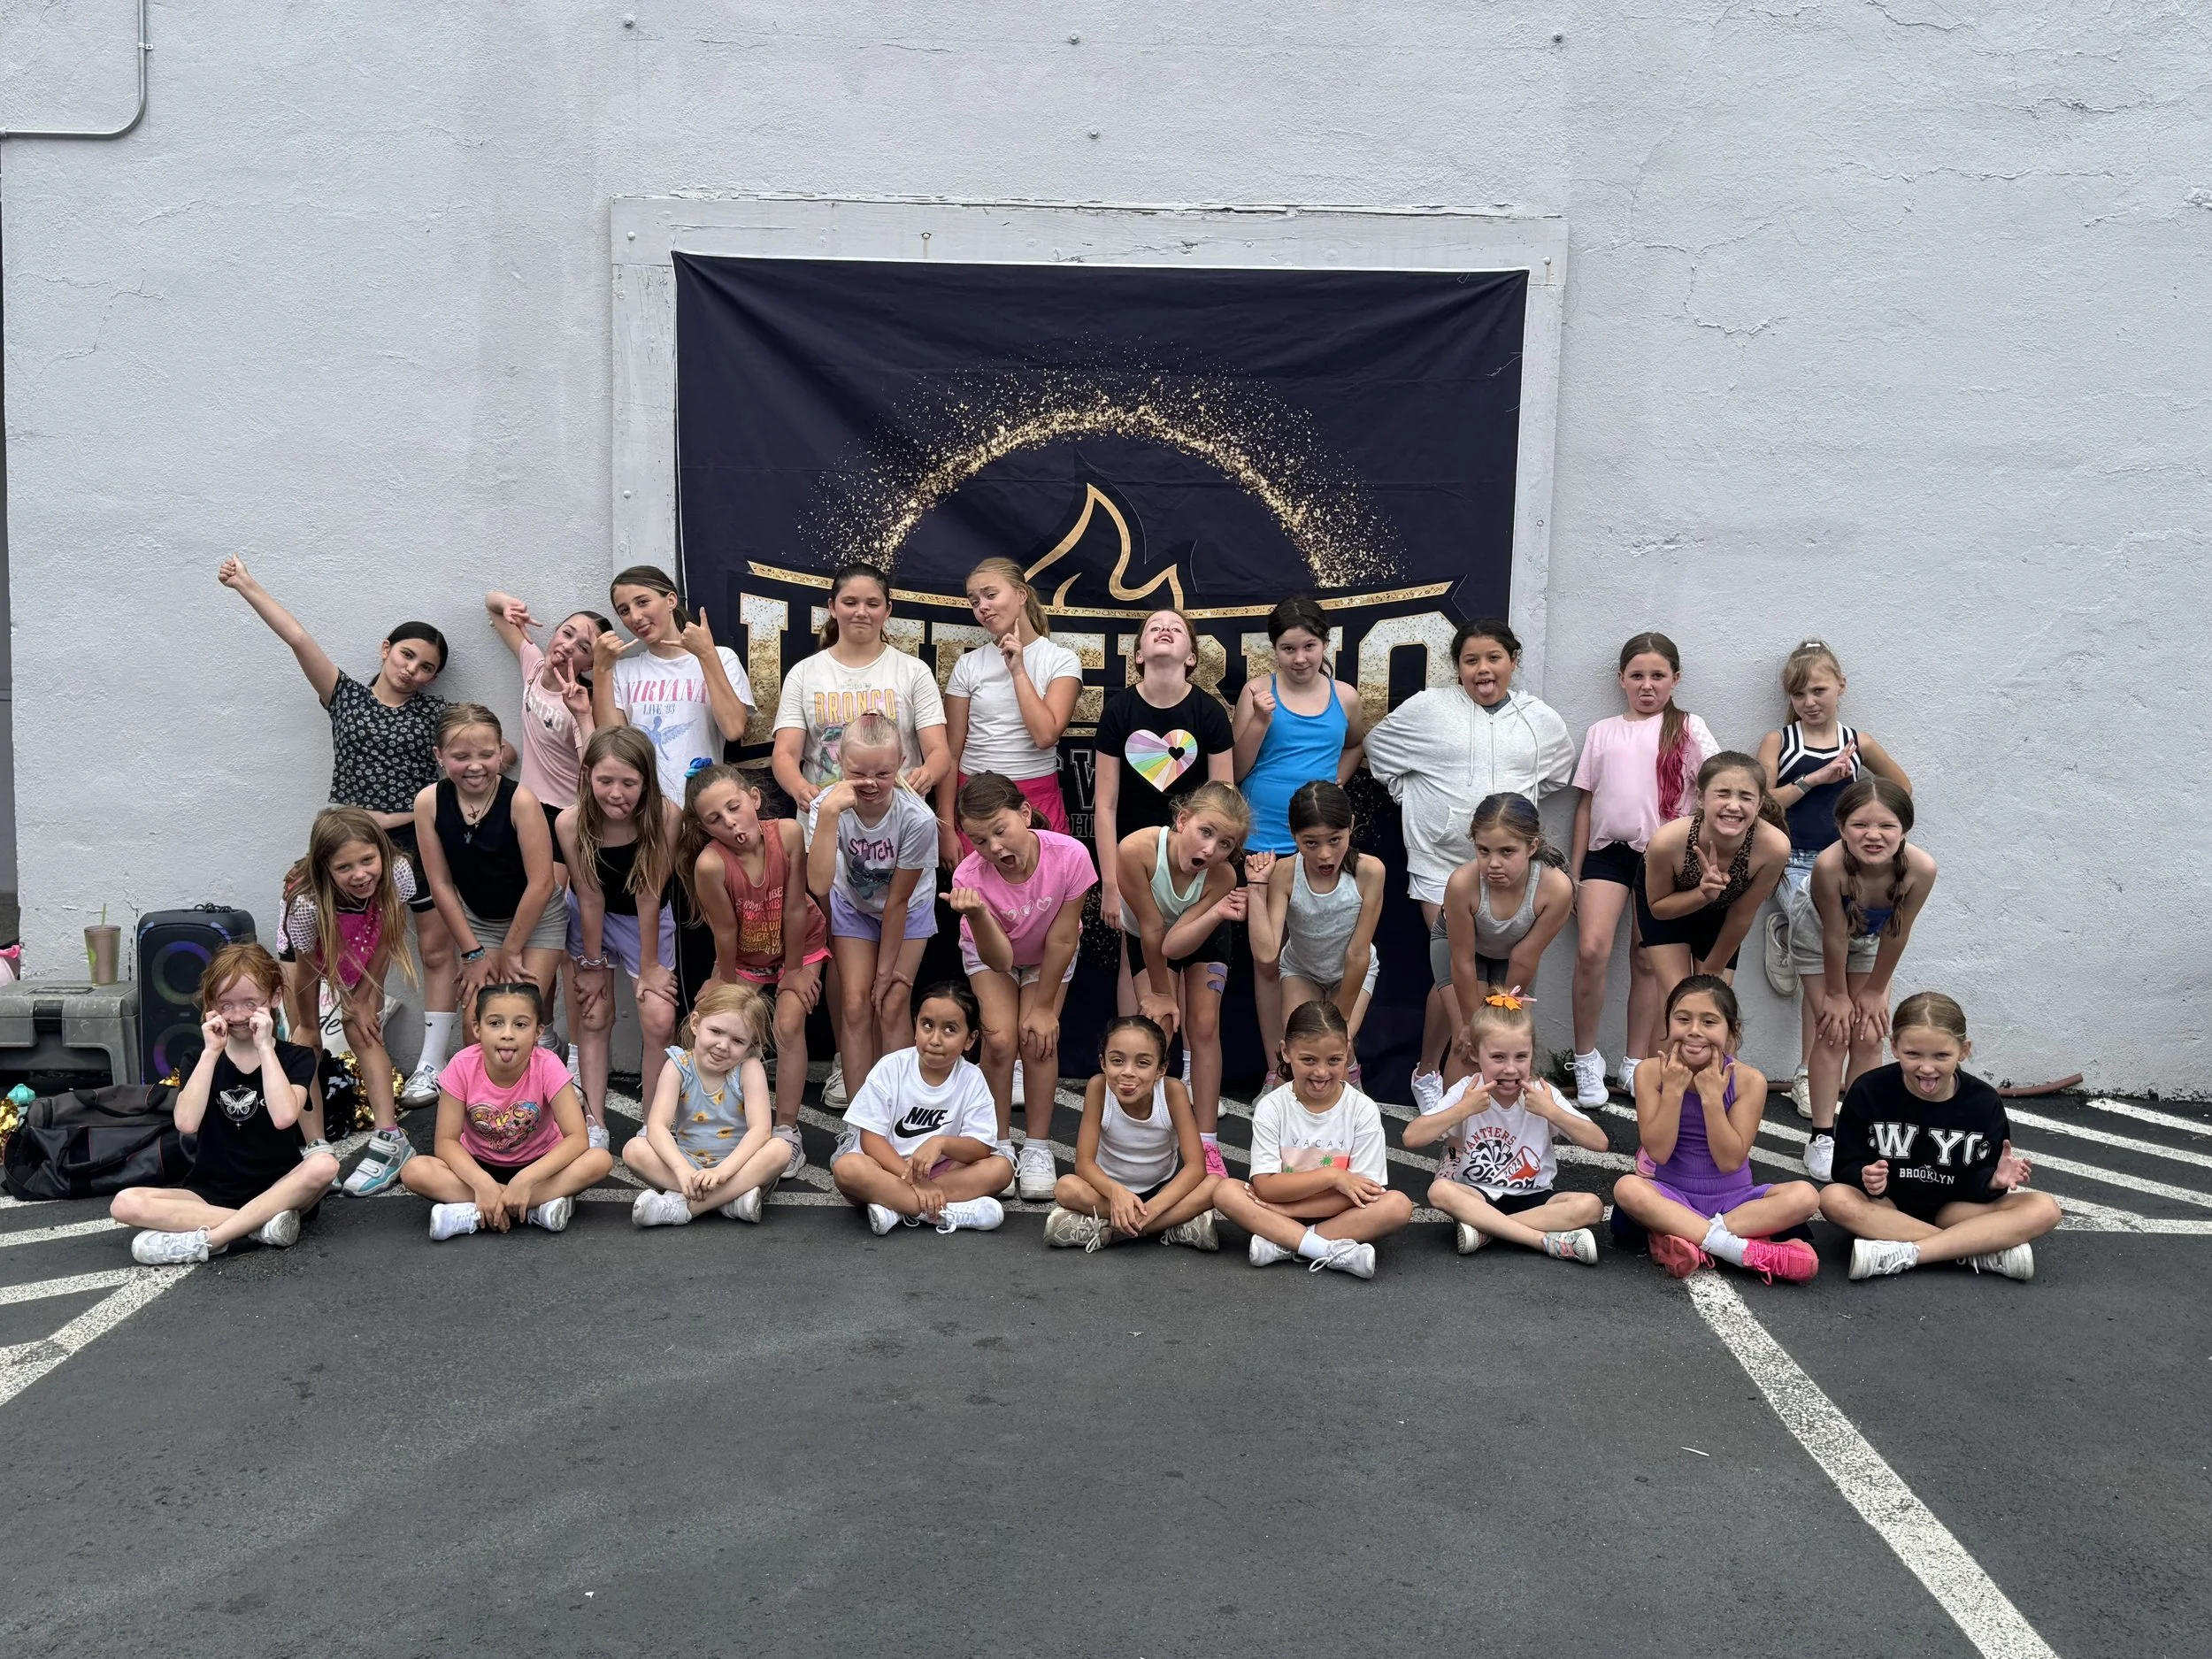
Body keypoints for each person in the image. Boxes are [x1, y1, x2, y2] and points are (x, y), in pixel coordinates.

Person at [219, 555, 459, 1109]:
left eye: (426, 667)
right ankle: (315, 1062)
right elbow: (298, 638)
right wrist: (247, 586)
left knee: (433, 948)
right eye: (407, 655)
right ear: (385, 649)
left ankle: (429, 1064)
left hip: (410, 848)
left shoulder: (433, 716)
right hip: (344, 849)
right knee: (315, 940)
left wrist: (393, 820)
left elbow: (477, 761)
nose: (413, 670)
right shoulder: (345, 697)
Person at [1363, 618, 1574, 1098]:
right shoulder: (1428, 710)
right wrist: (1418, 798)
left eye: (1494, 658)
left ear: (1513, 662)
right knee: (1458, 981)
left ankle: (1488, 1088)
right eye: (1470, 660)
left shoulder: (1539, 719)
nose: (1483, 669)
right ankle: (1428, 1072)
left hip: (1514, 880)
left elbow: (1560, 772)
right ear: (1457, 667)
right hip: (1442, 868)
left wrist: (1512, 819)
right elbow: (1378, 753)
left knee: (1500, 992)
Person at [773, 562, 955, 1110]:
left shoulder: (911, 672)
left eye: (872, 602)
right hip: (834, 832)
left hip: (897, 834)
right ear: (832, 607)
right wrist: (807, 792)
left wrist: (923, 776)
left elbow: (940, 750)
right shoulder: (807, 672)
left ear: (888, 610)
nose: (860, 612)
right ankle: (854, 1088)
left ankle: (894, 1100)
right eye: (849, 602)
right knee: (848, 981)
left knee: (889, 994)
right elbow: (785, 753)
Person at [1755, 640, 1913, 1114]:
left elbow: (1901, 791)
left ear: (1840, 687)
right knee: (1827, 938)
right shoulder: (1779, 742)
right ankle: (1809, 1073)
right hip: (1797, 862)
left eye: (1819, 689)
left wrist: (1868, 810)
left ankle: (1822, 1072)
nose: (1810, 701)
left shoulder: (1859, 743)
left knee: (1835, 963)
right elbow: (1762, 808)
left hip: (1851, 865)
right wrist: (1815, 781)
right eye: (1800, 693)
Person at [111, 944, 341, 1264]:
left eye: (251, 1003)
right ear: (211, 1006)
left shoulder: (295, 1057)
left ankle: (212, 1239)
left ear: (274, 1000)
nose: (237, 1015)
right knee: (125, 1203)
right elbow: (186, 1123)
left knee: (324, 1165)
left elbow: (284, 1116)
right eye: (226, 1005)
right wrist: (210, 1053)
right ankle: (260, 1227)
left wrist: (265, 1048)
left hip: (281, 1189)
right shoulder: (199, 1058)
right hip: (210, 1190)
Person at [1568, 633, 1718, 1109]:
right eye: (1637, 676)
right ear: (1621, 680)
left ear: (1675, 679)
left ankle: (1637, 1061)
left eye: (1657, 676)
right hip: (1608, 854)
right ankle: (1586, 1056)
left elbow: (1717, 791)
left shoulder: (1689, 729)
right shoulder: (1602, 731)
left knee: (1645, 958)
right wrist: (1575, 870)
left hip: (1664, 857)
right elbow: (1586, 803)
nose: (1647, 686)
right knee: (1592, 948)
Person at [1820, 992, 2057, 1282]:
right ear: (1894, 1047)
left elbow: (1977, 1185)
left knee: (2045, 1208)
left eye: (1942, 1056)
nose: (1927, 1067)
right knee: (1833, 1199)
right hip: (1887, 1206)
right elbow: (1844, 1166)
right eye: (1913, 1054)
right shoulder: (1869, 1090)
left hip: (1954, 1210)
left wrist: (1992, 1182)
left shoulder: (1983, 1102)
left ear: (1964, 1050)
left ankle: (1906, 1253)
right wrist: (1864, 1176)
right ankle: (1974, 1249)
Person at [1610, 976, 1821, 1282]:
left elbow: (1729, 1161)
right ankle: (1743, 1249)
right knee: (1627, 1188)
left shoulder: (1750, 1080)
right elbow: (1658, 1152)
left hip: (1736, 1202)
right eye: (1683, 1019)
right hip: (1672, 1196)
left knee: (1806, 1196)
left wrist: (1711, 1098)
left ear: (1731, 1031)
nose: (1694, 1031)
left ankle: (1689, 1240)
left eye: (1709, 1021)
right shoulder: (1649, 1072)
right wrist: (1673, 1092)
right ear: (1668, 1024)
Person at [946, 772, 1095, 1199]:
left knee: (1037, 1038)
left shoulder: (1070, 856)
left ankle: (1038, 1147)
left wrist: (1045, 1008)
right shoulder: (968, 878)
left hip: (1049, 953)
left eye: (1000, 830)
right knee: (998, 1040)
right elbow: (1000, 960)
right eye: (979, 840)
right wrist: (975, 915)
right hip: (996, 956)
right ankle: (997, 1145)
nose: (994, 848)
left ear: (1025, 813)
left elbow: (1064, 938)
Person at [1233, 595, 1367, 1063]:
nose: (1300, 658)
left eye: (1309, 646)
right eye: (1288, 648)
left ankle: (1323, 1059)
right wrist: (1262, 719)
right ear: (1274, 650)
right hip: (1265, 837)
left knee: (1315, 956)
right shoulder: (1255, 692)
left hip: (1318, 843)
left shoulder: (1345, 696)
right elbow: (1237, 766)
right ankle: (1277, 1065)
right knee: (1269, 962)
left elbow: (1355, 744)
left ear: (1326, 644)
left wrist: (1336, 783)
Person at [682, 764, 828, 1173]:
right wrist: (725, 985)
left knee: (787, 1023)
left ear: (754, 799)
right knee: (726, 1027)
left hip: (800, 944)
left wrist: (795, 972)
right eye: (715, 819)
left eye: (734, 808)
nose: (730, 822)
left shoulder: (788, 833)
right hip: (745, 955)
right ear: (704, 826)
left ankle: (787, 1131)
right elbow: (725, 930)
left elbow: (797, 906)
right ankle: (714, 1125)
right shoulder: (711, 865)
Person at [1093, 607, 1235, 1013]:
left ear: (1191, 657)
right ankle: (1131, 1053)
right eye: (1154, 627)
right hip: (1137, 860)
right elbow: (1105, 803)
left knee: (1192, 956)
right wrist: (1110, 882)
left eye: (1175, 628)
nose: (1165, 630)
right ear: (1138, 654)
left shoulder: (1209, 713)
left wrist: (1211, 857)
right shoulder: (1119, 710)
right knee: (1133, 953)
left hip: (1193, 856)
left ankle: (1188, 1067)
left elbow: (1224, 799)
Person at [1798, 778, 1939, 1182]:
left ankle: (1856, 1134)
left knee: (1869, 1034)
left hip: (1871, 939)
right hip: (1819, 934)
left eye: (1886, 826)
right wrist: (1838, 996)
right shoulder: (1830, 866)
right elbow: (1833, 935)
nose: (1873, 835)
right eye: (1860, 825)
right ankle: (1822, 1136)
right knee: (1834, 1030)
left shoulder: (1921, 869)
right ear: (1841, 828)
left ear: (1904, 831)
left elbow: (1898, 931)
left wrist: (1876, 990)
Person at [1212, 1001, 1414, 1279]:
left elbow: (1363, 1194)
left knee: (1397, 1206)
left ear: (1347, 1053)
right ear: (1286, 1052)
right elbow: (1266, 1187)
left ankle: (1287, 1243)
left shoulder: (1362, 1109)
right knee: (1225, 1192)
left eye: (1334, 1060)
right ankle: (1328, 1250)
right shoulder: (1272, 1107)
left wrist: (1285, 1212)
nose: (1321, 1072)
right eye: (1309, 1060)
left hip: (1314, 1214)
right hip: (1279, 1205)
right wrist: (1333, 1177)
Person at [398, 982, 613, 1240]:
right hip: (478, 1165)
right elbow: (446, 1143)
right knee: (414, 1171)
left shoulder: (547, 1064)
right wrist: (482, 1183)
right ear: (477, 1028)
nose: (507, 1034)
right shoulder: (461, 1066)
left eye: (521, 1025)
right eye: (495, 1023)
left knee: (599, 1160)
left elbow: (578, 1138)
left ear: (538, 1032)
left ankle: (479, 1212)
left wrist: (526, 1180)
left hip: (540, 1167)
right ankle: (533, 1209)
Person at [280, 808, 422, 1194]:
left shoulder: (397, 871)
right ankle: (316, 1148)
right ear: (325, 868)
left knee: (364, 1031)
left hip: (365, 939)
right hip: (309, 953)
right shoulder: (306, 903)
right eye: (344, 867)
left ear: (381, 853)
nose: (360, 875)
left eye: (367, 860)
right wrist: (310, 1021)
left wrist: (361, 999)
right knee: (305, 1039)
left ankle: (390, 1139)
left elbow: (389, 932)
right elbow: (308, 971)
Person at [1406, 987, 1606, 1263]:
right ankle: (1539, 1239)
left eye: (1521, 1057)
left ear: (1532, 1053)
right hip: (1477, 1194)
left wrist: (1553, 1113)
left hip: (1535, 1195)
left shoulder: (1541, 1094)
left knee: (1592, 1206)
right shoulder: (1469, 1090)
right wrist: (1462, 1110)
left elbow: (1599, 1142)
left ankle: (1488, 1229)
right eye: (1498, 1057)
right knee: (1439, 1190)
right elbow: (1411, 1137)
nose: (1510, 1068)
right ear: (1476, 1054)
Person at [1116, 781, 1251, 1178]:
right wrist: (1161, 993)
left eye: (1225, 844)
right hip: (1148, 935)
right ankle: (1140, 1136)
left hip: (1200, 932)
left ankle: (1207, 1143)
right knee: (1155, 1029)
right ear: (1182, 820)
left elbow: (1177, 943)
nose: (1211, 850)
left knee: (1204, 1024)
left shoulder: (1222, 877)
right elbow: (1153, 928)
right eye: (1205, 833)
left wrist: (1213, 915)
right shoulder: (1136, 850)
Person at [557, 726, 681, 1147]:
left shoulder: (665, 815)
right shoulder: (571, 822)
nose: (616, 793)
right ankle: (594, 1123)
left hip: (643, 918)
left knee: (659, 1020)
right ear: (587, 775)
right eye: (605, 781)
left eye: (629, 783)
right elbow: (589, 897)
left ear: (646, 781)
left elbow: (650, 893)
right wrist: (590, 966)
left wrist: (648, 967)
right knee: (593, 1014)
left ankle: (654, 1122)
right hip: (591, 915)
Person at [805, 712, 940, 1096]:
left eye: (882, 774)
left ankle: (898, 1112)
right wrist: (830, 812)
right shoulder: (827, 806)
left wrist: (885, 973)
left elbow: (898, 901)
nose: (869, 784)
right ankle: (857, 1121)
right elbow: (817, 884)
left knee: (893, 1002)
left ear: (900, 764)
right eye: (858, 772)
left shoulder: (917, 818)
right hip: (853, 904)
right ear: (841, 763)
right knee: (853, 1004)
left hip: (908, 908)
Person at [412, 705, 565, 1033]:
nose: (475, 766)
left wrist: (511, 950)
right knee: (478, 1025)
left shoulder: (521, 801)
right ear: (439, 755)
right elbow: (440, 883)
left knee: (520, 1017)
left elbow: (541, 882)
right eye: (461, 756)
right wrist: (473, 953)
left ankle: (541, 1056)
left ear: (501, 751)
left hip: (537, 918)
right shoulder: (429, 802)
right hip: (480, 922)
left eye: (486, 754)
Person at [1422, 792, 1574, 1110]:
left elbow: (1524, 957)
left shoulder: (1556, 888)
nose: (1493, 863)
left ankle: (1508, 1129)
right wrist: (1470, 1024)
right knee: (1468, 1045)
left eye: (1507, 852)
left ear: (1532, 847)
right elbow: (1462, 960)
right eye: (1483, 850)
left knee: (1506, 1040)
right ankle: (1455, 1140)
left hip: (1513, 959)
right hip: (1463, 951)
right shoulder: (1463, 884)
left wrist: (1503, 1015)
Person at [829, 981, 1013, 1235]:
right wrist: (916, 1181)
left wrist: (941, 1143)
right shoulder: (891, 1067)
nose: (935, 1039)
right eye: (927, 1025)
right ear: (915, 1026)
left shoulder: (972, 1078)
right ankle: (942, 1214)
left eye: (950, 1029)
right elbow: (870, 1139)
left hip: (940, 1173)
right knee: (847, 1168)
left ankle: (895, 1208)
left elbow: (980, 1147)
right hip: (886, 1170)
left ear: (970, 1039)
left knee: (1002, 1170)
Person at [1632, 752, 1792, 1041]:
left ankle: (1718, 1083)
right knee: (1679, 1003)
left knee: (1715, 1008)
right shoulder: (1667, 842)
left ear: (1759, 804)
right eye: (1723, 794)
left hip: (1725, 914)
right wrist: (1702, 894)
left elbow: (1743, 914)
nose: (1734, 805)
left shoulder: (1774, 847)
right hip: (1669, 907)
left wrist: (1713, 973)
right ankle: (1658, 1082)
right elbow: (1658, 909)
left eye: (1746, 797)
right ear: (1701, 798)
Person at [1242, 780, 1386, 1087]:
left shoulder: (1370, 872)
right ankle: (1285, 1087)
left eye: (1335, 840)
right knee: (1303, 1046)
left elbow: (1358, 953)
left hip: (1351, 971)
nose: (1324, 855)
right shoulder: (1283, 873)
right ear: (1293, 835)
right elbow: (1267, 953)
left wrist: (1341, 1024)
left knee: (1334, 1046)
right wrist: (1256, 887)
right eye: (1311, 843)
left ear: (1350, 826)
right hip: (1301, 970)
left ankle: (1351, 1082)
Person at [1043, 1014, 1220, 1251]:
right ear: (1103, 1063)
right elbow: (1084, 1164)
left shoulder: (1172, 1092)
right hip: (1108, 1193)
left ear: (1161, 1069)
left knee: (1215, 1184)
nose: (1128, 1072)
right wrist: (1116, 1193)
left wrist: (1154, 1209)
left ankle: (1114, 1231)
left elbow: (1196, 1167)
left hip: (1161, 1193)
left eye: (1143, 1063)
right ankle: (1173, 1225)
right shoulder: (1098, 1087)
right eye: (1117, 1061)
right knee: (1066, 1187)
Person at [622, 983, 786, 1226]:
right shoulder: (679, 1065)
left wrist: (721, 1173)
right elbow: (657, 1125)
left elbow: (760, 1131)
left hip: (738, 1167)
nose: (723, 1045)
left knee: (780, 1149)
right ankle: (729, 1201)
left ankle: (682, 1207)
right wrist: (682, 1170)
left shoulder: (748, 1069)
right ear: (696, 1024)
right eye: (716, 1031)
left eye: (737, 1040)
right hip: (689, 1164)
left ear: (750, 1046)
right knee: (634, 1149)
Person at [588, 565, 756, 803]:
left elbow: (733, 729)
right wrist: (601, 669)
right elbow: (613, 748)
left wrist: (706, 655)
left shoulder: (722, 658)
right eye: (624, 610)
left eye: (643, 602)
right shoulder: (623, 672)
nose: (635, 617)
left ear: (671, 600)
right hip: (643, 810)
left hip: (701, 808)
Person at [945, 557, 1081, 839]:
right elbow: (951, 753)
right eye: (974, 601)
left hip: (1036, 800)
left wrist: (1018, 669)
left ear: (1021, 594)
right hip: (975, 804)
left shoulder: (1061, 660)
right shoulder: (968, 665)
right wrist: (946, 827)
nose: (982, 606)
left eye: (991, 594)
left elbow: (1045, 735)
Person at [482, 589, 610, 826]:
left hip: (565, 814)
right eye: (567, 633)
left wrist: (582, 715)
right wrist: (509, 604)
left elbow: (594, 767)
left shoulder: (581, 703)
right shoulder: (534, 665)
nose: (569, 646)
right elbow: (492, 605)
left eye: (583, 648)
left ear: (590, 665)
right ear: (555, 631)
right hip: (525, 805)